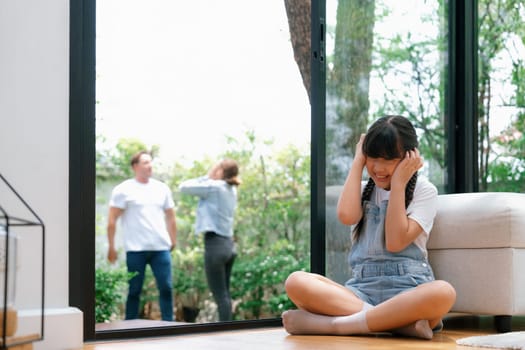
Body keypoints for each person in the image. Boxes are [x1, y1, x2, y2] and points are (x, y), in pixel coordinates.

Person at [282, 115, 456, 339]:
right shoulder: (362, 189)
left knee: (443, 292)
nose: (378, 167)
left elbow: (395, 242)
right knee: (296, 281)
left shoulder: (424, 190)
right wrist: (357, 161)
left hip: (409, 290)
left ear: (409, 157)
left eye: (388, 159)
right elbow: (346, 216)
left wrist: (399, 184)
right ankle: (394, 324)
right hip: (360, 292)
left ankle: (336, 326)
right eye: (372, 157)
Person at [107, 150, 177, 321]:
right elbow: (112, 219)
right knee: (134, 290)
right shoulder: (123, 190)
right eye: (145, 162)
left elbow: (171, 216)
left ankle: (169, 325)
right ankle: (129, 326)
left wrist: (172, 240)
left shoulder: (161, 188)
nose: (149, 166)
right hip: (135, 249)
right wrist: (111, 247)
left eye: (151, 162)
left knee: (166, 288)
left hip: (160, 248)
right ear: (135, 166)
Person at [179, 159, 241, 321]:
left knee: (220, 295)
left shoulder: (214, 187)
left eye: (216, 167)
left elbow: (184, 187)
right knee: (225, 294)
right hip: (228, 244)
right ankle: (228, 329)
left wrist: (207, 177)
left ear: (221, 172)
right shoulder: (231, 189)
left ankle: (225, 333)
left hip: (215, 245)